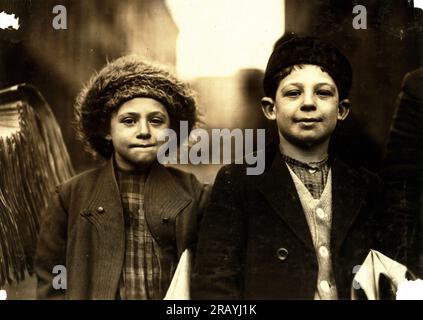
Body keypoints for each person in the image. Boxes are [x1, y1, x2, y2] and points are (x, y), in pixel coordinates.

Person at [192, 35, 389, 299]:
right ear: (270, 108)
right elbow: (215, 285)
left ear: (341, 110)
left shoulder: (366, 188)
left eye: (323, 92)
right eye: (293, 93)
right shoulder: (238, 182)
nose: (308, 103)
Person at [35, 55, 209, 299]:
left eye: (156, 121)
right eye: (129, 121)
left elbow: (211, 277)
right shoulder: (70, 196)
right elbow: (52, 282)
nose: (144, 132)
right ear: (107, 130)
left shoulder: (195, 193)